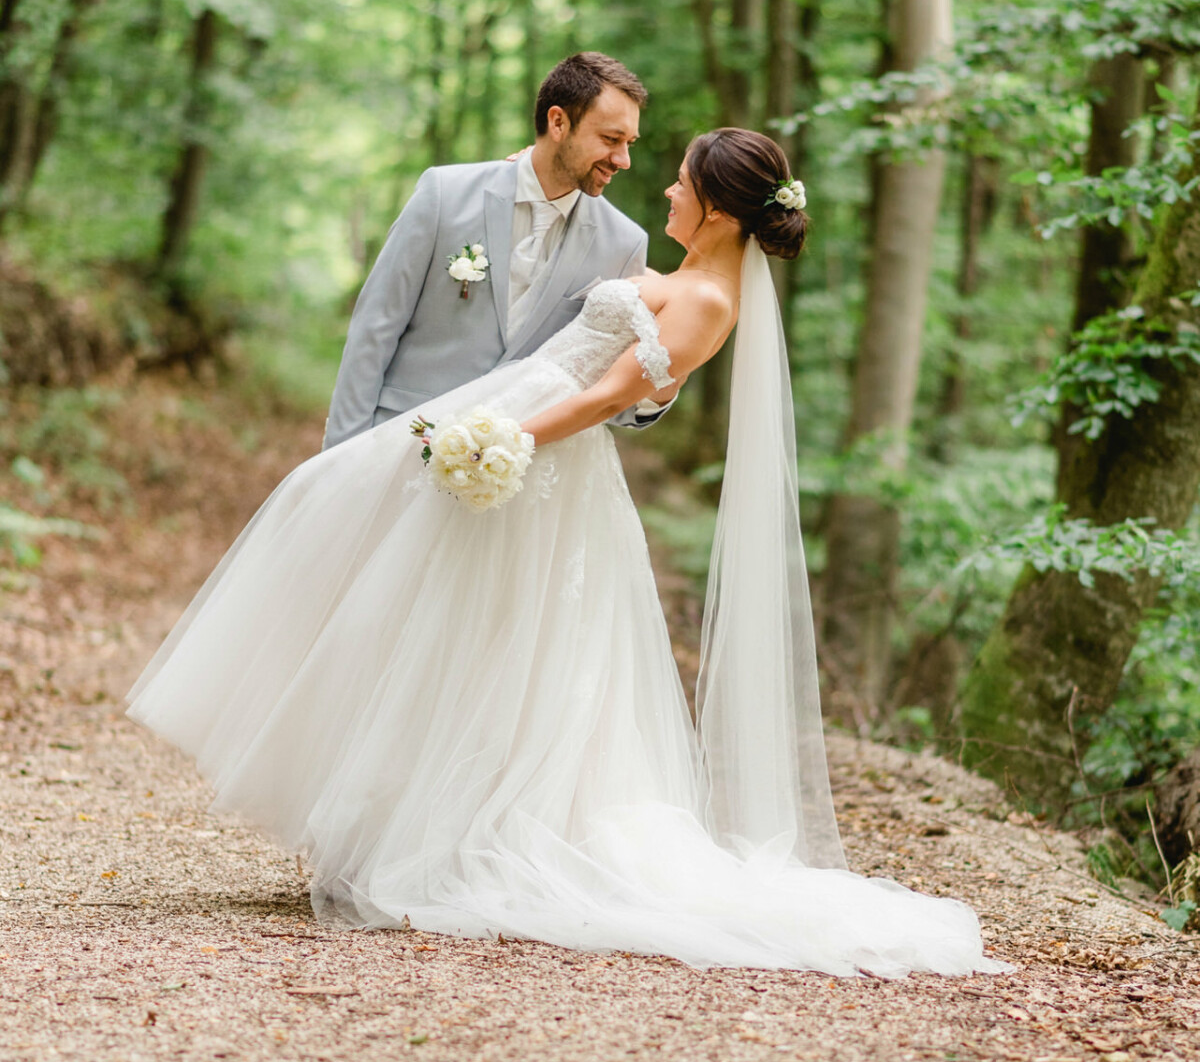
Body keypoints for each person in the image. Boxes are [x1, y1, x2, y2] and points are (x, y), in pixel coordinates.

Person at [128, 126, 1002, 977]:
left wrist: (498, 437)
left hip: (540, 457)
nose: (664, 185)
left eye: (683, 179)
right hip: (525, 441)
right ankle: (402, 820)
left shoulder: (706, 299)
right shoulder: (688, 274)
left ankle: (455, 835)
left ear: (721, 209)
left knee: (512, 646)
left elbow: (611, 396)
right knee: (445, 617)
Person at [322, 51, 671, 448]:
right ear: (558, 122)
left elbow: (608, 393)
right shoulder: (443, 194)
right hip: (401, 438)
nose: (623, 159)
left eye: (629, 143)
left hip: (512, 476)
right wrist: (340, 453)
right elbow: (375, 329)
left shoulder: (624, 244)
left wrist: (664, 377)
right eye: (611, 139)